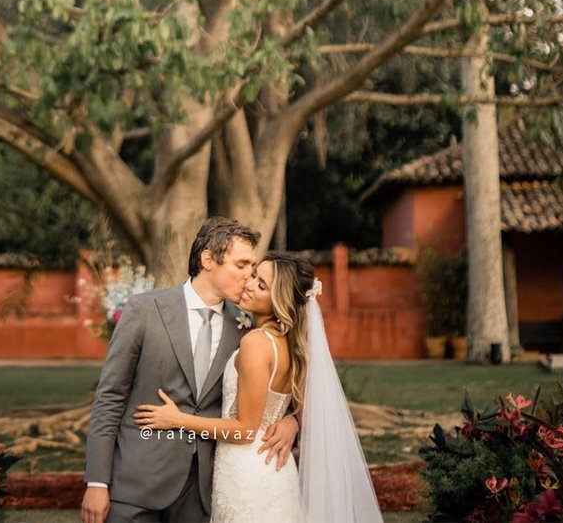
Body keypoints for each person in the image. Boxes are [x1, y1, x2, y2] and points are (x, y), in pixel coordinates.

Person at [134, 252, 383, 523]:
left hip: (247, 471)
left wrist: (177, 419)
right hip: (274, 469)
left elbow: (245, 430)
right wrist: (292, 421)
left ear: (280, 302)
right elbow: (302, 407)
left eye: (262, 285)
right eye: (254, 276)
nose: (250, 284)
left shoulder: (256, 342)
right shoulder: (292, 345)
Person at [82, 218, 297, 523]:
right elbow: (110, 397)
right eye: (242, 265)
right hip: (136, 485)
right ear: (208, 260)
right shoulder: (143, 310)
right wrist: (97, 482)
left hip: (204, 491)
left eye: (253, 267)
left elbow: (286, 385)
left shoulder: (249, 329)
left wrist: (292, 421)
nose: (250, 276)